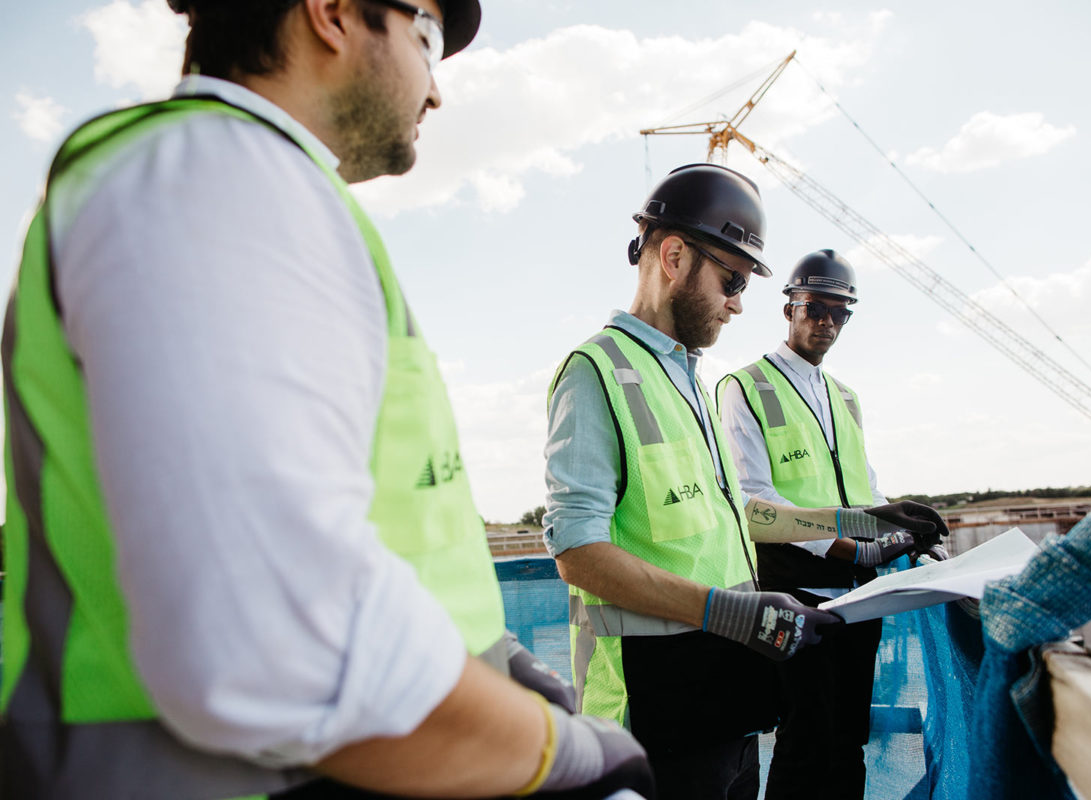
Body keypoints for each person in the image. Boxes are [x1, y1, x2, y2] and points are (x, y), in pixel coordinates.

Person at [1, 1, 651, 798]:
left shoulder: (257, 188)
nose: (437, 90)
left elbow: (369, 536)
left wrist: (487, 657)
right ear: (334, 13)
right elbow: (270, 646)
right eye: (429, 38)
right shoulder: (213, 178)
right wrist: (562, 752)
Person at [542, 166, 941, 800]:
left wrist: (861, 523)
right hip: (650, 705)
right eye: (731, 279)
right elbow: (577, 553)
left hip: (722, 690)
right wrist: (728, 612)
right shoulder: (597, 372)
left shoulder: (691, 380)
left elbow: (745, 517)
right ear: (672, 256)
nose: (738, 301)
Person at [718, 249, 949, 799]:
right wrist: (852, 548)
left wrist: (904, 533)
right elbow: (754, 503)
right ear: (789, 309)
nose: (825, 322)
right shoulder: (744, 387)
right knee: (805, 737)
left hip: (858, 602)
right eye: (814, 308)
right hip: (794, 598)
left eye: (838, 313)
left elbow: (867, 491)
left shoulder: (845, 396)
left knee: (848, 738)